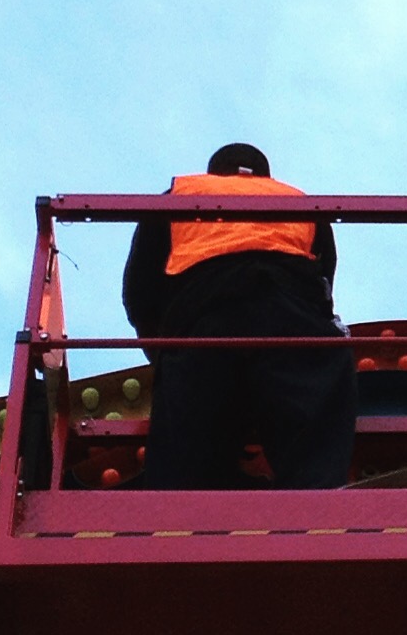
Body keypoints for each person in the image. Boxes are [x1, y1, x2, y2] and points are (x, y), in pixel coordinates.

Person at [122, 144, 356, 489]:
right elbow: (323, 285)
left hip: (202, 327)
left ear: (213, 174)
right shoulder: (301, 203)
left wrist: (165, 356)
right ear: (267, 178)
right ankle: (315, 503)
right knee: (315, 435)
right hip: (289, 320)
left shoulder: (180, 195)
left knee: (187, 457)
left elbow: (140, 293)